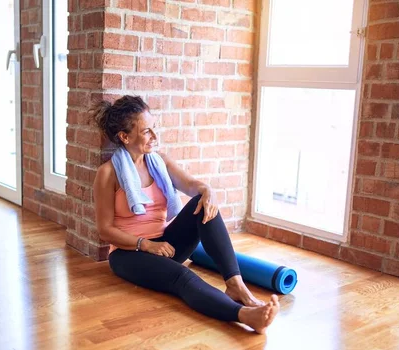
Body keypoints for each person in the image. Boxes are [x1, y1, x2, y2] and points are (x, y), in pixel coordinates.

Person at [92, 95, 279, 334]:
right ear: (125, 137)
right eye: (147, 131)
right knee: (182, 276)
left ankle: (236, 285)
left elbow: (192, 185)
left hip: (165, 246)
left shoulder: (159, 162)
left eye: (154, 128)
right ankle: (244, 315)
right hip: (130, 254)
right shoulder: (107, 174)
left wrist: (207, 191)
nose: (155, 137)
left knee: (202, 205)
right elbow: (105, 230)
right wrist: (146, 245)